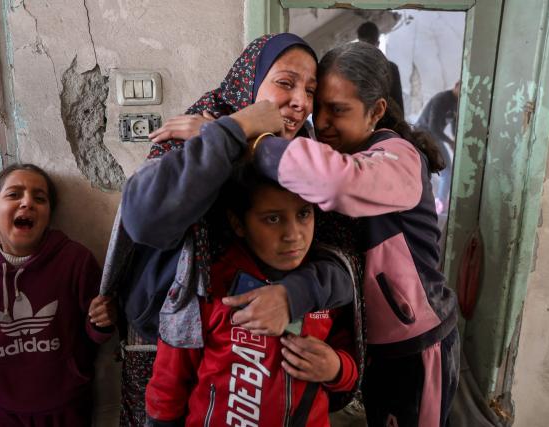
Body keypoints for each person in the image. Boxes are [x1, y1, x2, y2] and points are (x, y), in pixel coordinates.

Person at [111, 33, 363, 425]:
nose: (301, 102)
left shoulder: (309, 159)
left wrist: (295, 295)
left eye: (310, 90)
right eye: (285, 83)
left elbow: (345, 265)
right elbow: (144, 219)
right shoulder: (203, 129)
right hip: (171, 345)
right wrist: (234, 129)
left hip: (274, 359)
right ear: (249, 83)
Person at [226, 41, 460, 427]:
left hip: (418, 343)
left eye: (338, 110)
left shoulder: (398, 155)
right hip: (378, 344)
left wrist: (254, 139)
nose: (324, 122)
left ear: (376, 111)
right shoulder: (344, 150)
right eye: (320, 110)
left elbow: (337, 184)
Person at [144, 165, 358, 426]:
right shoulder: (210, 285)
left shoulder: (327, 286)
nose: (293, 235)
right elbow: (170, 378)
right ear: (238, 224)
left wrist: (336, 368)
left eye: (304, 214)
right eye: (273, 219)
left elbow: (351, 361)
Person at [0, 163, 116, 427]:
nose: (27, 203)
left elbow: (93, 336)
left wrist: (102, 321)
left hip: (69, 411)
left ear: (49, 215)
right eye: (14, 194)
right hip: (5, 414)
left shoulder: (75, 261)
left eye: (40, 198)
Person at [415, 81, 461, 214]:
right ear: (456, 86)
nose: (464, 94)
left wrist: (456, 140)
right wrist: (450, 142)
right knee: (446, 170)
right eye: (462, 89)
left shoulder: (458, 102)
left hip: (431, 136)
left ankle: (438, 201)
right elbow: (433, 128)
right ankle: (439, 203)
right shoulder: (441, 99)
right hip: (423, 134)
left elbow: (454, 125)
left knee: (440, 171)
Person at [357, 21, 405, 116]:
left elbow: (398, 107)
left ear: (377, 44)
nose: (365, 51)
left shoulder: (390, 69)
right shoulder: (355, 69)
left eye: (368, 45)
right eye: (363, 46)